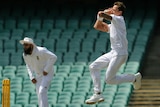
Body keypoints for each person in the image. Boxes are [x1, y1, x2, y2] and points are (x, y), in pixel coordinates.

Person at [85, 1, 142, 104]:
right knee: (93, 67)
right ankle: (97, 94)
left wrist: (104, 12)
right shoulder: (113, 25)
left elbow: (103, 14)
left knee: (109, 80)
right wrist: (100, 17)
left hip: (120, 53)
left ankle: (133, 78)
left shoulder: (119, 20)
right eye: (112, 8)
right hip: (113, 52)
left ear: (120, 12)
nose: (112, 10)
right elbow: (97, 26)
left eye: (115, 9)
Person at [20, 37, 57, 107]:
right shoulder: (25, 55)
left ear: (31, 45)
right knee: (39, 94)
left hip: (47, 73)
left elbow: (54, 57)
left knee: (42, 91)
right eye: (24, 45)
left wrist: (46, 69)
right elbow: (28, 65)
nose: (24, 47)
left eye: (26, 45)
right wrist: (31, 76)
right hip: (38, 74)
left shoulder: (41, 50)